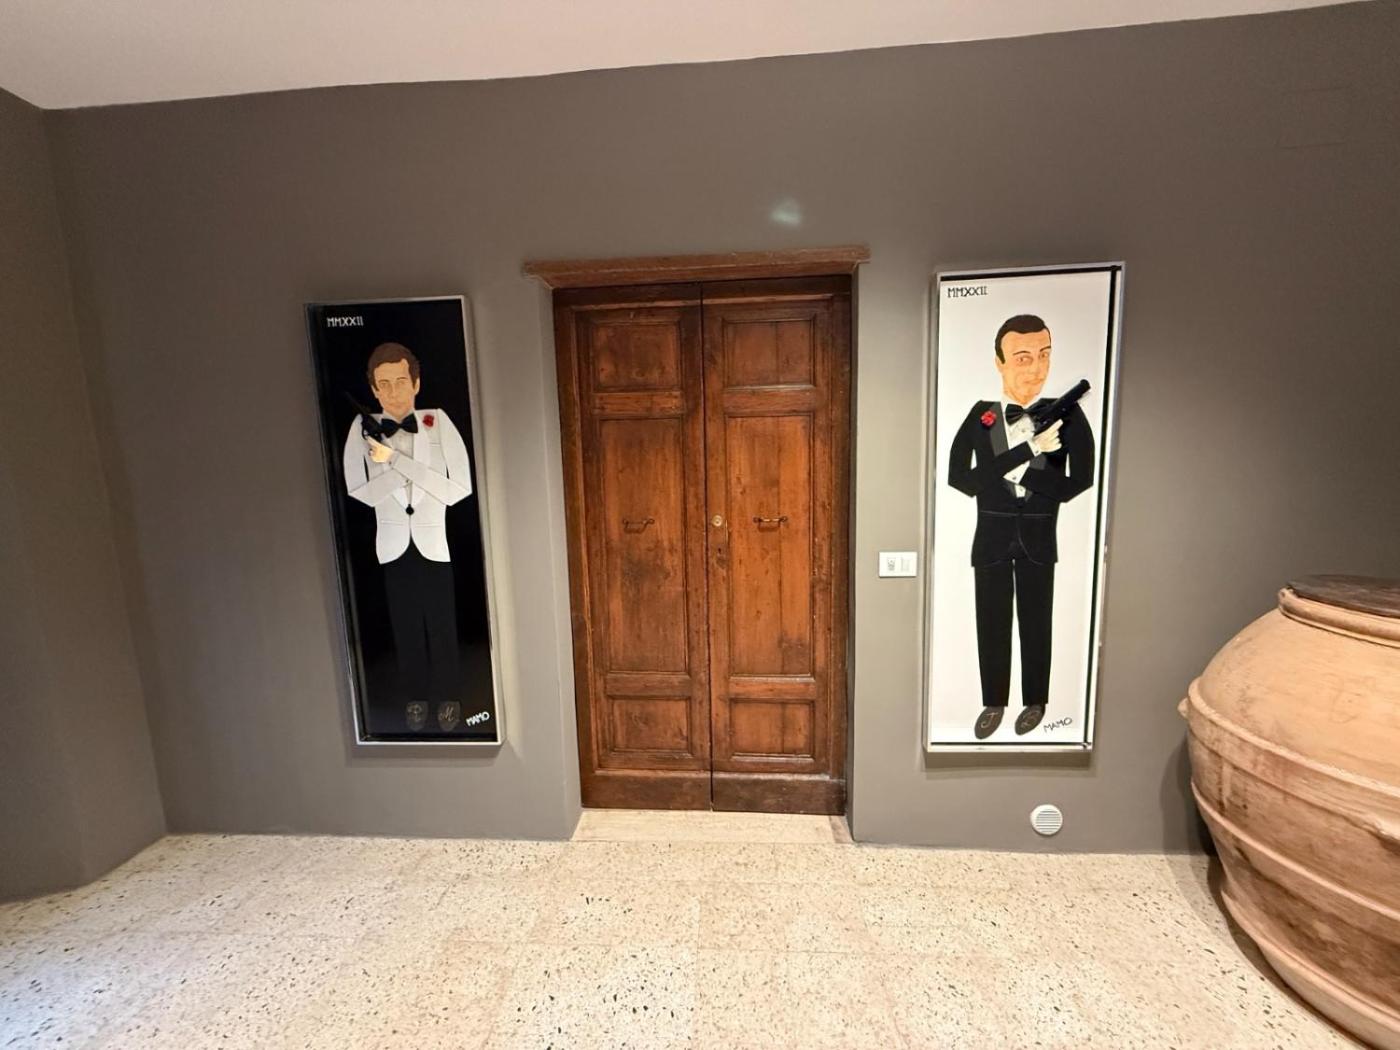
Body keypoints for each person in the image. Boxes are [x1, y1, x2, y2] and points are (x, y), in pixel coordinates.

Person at [947, 315, 1095, 740]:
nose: (1036, 368)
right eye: (1023, 357)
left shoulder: (1069, 416)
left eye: (1044, 355)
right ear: (1000, 363)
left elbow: (1080, 481)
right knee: (991, 621)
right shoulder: (981, 416)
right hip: (990, 540)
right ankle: (994, 701)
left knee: (1036, 621)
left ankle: (1036, 701)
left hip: (1039, 538)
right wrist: (1026, 452)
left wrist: (1027, 475)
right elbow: (961, 480)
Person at [342, 342, 472, 732]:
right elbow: (358, 491)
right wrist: (396, 474)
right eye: (384, 384)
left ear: (416, 383)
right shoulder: (361, 428)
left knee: (442, 623)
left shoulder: (438, 422)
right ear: (373, 390)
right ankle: (416, 698)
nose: (394, 392)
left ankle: (450, 698)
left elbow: (459, 488)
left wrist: (395, 461)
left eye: (401, 381)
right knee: (406, 625)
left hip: (435, 544)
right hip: (392, 546)